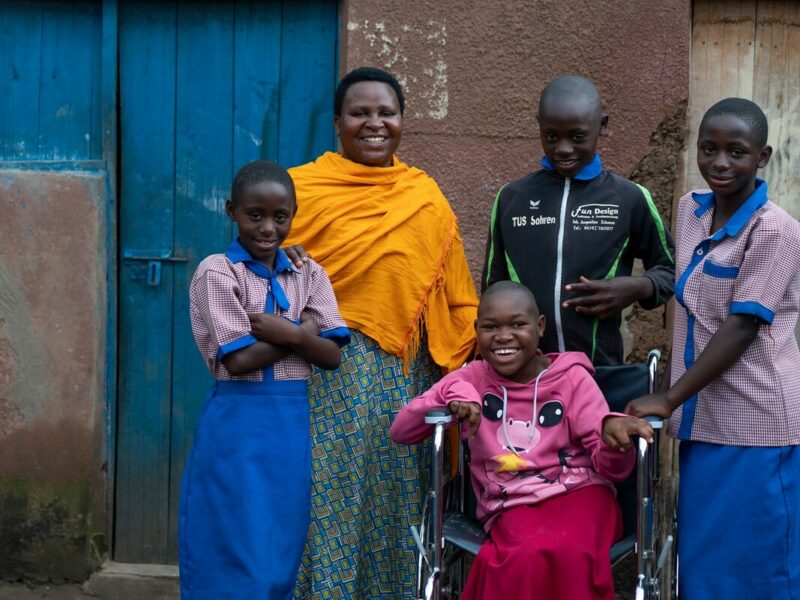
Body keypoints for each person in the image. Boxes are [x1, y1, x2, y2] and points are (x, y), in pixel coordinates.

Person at [282, 67, 479, 599]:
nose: (374, 124)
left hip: (401, 376)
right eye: (360, 113)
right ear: (337, 123)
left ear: (402, 121)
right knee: (326, 494)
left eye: (386, 113)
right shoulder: (299, 190)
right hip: (320, 371)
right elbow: (255, 266)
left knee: (395, 498)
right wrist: (279, 261)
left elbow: (455, 294)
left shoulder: (423, 196)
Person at [627, 98, 800, 598]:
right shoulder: (691, 209)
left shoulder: (776, 230)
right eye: (709, 150)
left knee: (761, 571)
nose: (720, 163)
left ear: (762, 157)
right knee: (705, 569)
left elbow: (742, 327)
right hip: (704, 423)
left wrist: (668, 397)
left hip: (758, 425)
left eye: (737, 152)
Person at [391, 281, 654, 600]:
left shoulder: (571, 379)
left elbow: (613, 471)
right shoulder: (472, 379)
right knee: (521, 556)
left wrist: (614, 442)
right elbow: (401, 431)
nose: (503, 336)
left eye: (517, 324)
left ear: (539, 326)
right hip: (513, 503)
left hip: (582, 494)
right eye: (490, 327)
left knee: (571, 551)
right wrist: (451, 395)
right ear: (477, 330)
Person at [178, 160, 350, 599]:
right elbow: (239, 361)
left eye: (281, 216)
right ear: (231, 210)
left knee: (280, 538)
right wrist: (304, 333)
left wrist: (287, 332)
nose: (268, 228)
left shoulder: (308, 273)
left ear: (294, 213)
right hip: (237, 421)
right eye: (255, 215)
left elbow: (332, 354)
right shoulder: (217, 272)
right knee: (232, 536)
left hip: (290, 424)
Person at [482, 74, 675, 365]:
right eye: (551, 136)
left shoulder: (629, 198)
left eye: (577, 137)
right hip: (526, 376)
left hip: (600, 374)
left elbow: (671, 269)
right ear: (538, 125)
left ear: (602, 126)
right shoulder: (512, 199)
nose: (563, 148)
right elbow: (492, 287)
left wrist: (636, 287)